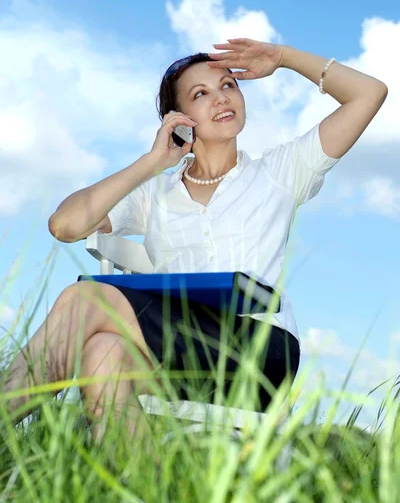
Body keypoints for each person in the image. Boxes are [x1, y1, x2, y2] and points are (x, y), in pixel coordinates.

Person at [2, 38, 388, 440]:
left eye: (228, 85)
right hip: (173, 356)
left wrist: (284, 58)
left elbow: (369, 93)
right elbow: (64, 225)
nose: (221, 99)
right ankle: (149, 496)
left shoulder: (282, 170)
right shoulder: (155, 194)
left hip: (257, 351)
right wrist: (152, 163)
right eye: (200, 94)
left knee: (85, 299)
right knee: (103, 353)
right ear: (178, 119)